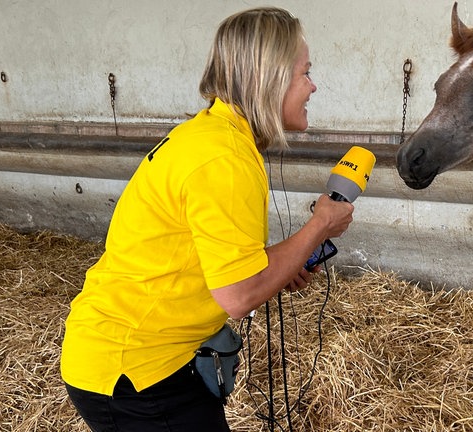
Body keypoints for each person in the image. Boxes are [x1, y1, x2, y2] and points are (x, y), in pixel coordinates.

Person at [61, 7, 354, 431]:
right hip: (136, 369)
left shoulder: (212, 135)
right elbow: (237, 296)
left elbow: (218, 259)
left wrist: (282, 263)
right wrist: (319, 227)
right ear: (268, 78)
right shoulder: (225, 158)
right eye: (304, 72)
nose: (312, 85)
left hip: (142, 357)